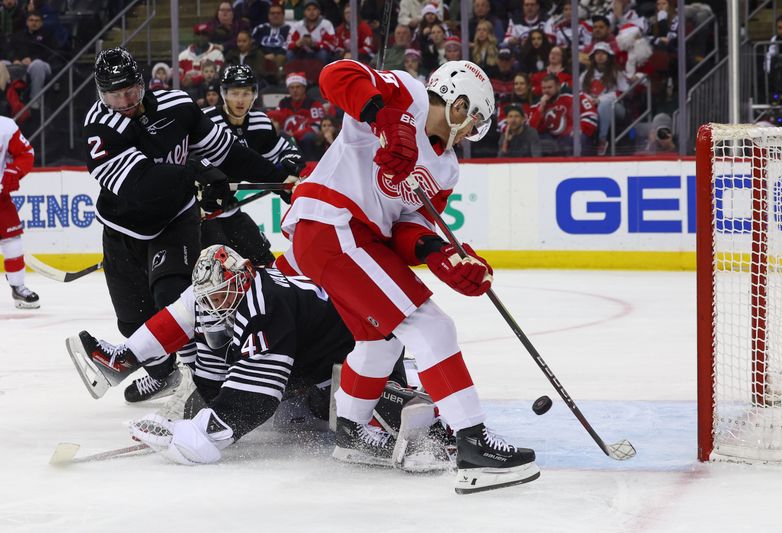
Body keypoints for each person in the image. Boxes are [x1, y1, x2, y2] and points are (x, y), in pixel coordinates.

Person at [279, 59, 538, 494]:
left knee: (380, 341)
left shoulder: (447, 167)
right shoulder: (407, 93)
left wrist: (440, 254)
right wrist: (382, 114)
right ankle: (474, 444)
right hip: (332, 223)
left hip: (354, 237)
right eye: (474, 118)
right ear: (458, 104)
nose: (473, 130)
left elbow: (409, 226)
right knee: (430, 325)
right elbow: (336, 75)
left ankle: (352, 433)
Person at [67, 244, 450, 468]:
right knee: (294, 415)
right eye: (209, 297)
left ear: (241, 279)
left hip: (359, 351)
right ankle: (124, 358)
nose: (213, 306)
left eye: (219, 296)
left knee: (339, 417)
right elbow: (190, 314)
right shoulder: (232, 286)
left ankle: (420, 422)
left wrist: (194, 434)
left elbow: (255, 402)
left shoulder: (265, 306)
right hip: (314, 354)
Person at [83, 48, 291, 403]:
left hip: (176, 218)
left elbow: (227, 152)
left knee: (172, 295)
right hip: (123, 229)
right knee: (132, 322)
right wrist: (195, 172)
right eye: (113, 96)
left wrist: (280, 178)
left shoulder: (178, 106)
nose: (123, 103)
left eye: (129, 92)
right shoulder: (100, 127)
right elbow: (140, 186)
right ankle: (163, 375)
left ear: (142, 84)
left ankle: (204, 382)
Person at [201, 64, 304, 265]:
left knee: (265, 263)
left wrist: (292, 165)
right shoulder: (206, 120)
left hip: (229, 209)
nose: (240, 100)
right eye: (234, 93)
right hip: (200, 216)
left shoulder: (260, 122)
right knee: (219, 268)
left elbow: (280, 152)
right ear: (224, 93)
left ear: (254, 94)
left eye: (246, 93)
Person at [0, 115, 37, 308]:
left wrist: (14, 170)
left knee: (12, 241)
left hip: (0, 199)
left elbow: (25, 153)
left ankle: (18, 287)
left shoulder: (5, 127)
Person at [529, 72, 598, 156]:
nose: (546, 91)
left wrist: (579, 130)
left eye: (549, 87)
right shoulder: (537, 104)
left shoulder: (574, 95)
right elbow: (531, 130)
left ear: (558, 86)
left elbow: (590, 114)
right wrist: (540, 110)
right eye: (544, 88)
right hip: (551, 140)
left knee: (579, 139)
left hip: (571, 137)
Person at [580, 42, 629, 155]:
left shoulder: (617, 73)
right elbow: (579, 92)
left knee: (605, 103)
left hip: (616, 107)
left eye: (603, 53)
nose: (600, 56)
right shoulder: (585, 74)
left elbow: (623, 92)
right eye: (597, 53)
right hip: (591, 106)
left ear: (609, 56)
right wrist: (589, 99)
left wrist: (600, 99)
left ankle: (602, 139)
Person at [7, 10, 56, 108]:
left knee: (37, 64)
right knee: (2, 63)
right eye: (31, 20)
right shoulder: (19, 35)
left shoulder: (48, 35)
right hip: (19, 65)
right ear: (27, 22)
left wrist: (32, 59)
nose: (34, 23)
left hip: (42, 65)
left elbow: (50, 53)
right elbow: (9, 50)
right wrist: (14, 59)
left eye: (37, 21)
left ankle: (35, 101)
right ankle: (7, 100)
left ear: (41, 23)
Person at [269, 71, 325, 155]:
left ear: (304, 88)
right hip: (287, 137)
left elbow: (316, 127)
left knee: (308, 137)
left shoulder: (313, 104)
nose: (295, 90)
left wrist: (294, 135)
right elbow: (276, 119)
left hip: (305, 139)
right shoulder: (283, 103)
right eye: (292, 88)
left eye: (298, 87)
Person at [178, 23, 225, 92]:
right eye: (198, 34)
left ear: (209, 37)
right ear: (194, 36)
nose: (201, 37)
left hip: (208, 92)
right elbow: (177, 74)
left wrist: (194, 80)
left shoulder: (217, 54)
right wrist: (183, 80)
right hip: (186, 90)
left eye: (204, 35)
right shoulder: (183, 55)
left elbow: (215, 75)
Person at [252, 2, 291, 67]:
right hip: (262, 58)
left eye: (278, 13)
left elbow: (290, 44)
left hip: (283, 59)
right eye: (272, 13)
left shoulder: (290, 29)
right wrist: (266, 54)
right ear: (268, 15)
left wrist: (279, 55)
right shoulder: (259, 29)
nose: (275, 15)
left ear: (283, 15)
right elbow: (253, 44)